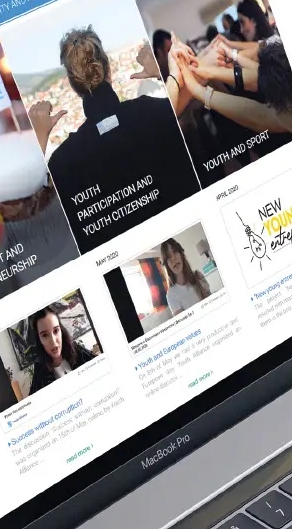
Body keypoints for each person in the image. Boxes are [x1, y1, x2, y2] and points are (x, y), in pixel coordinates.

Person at [33, 27, 200, 226]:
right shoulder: (154, 112)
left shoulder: (61, 162)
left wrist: (38, 139)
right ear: (108, 69)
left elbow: (34, 215)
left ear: (74, 85)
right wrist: (160, 74)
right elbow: (185, 93)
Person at [26, 303, 95, 392]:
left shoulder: (78, 351)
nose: (53, 341)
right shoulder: (40, 373)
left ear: (61, 331)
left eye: (56, 331)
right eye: (45, 335)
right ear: (39, 340)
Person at [159, 237, 211, 314]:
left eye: (175, 251)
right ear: (167, 265)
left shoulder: (198, 276)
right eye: (168, 256)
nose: (173, 258)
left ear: (181, 254)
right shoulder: (171, 295)